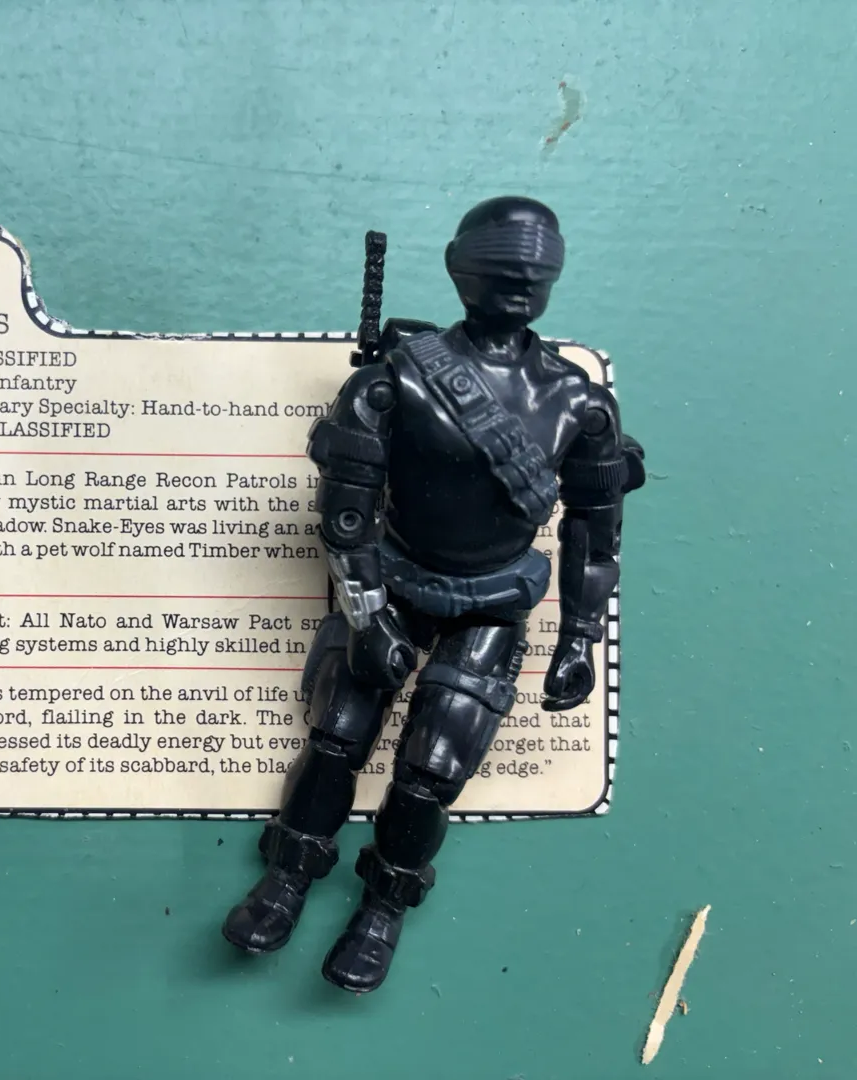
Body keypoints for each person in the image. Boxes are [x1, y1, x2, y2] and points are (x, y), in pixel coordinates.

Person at [222, 197, 646, 993]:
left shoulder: (578, 403)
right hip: (396, 580)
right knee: (337, 734)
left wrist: (580, 638)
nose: (518, 284)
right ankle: (287, 876)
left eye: (534, 273)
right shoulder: (393, 384)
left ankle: (382, 908)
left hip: (493, 601)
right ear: (460, 270)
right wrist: (367, 612)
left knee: (434, 765)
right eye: (501, 269)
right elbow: (346, 519)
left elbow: (596, 533)